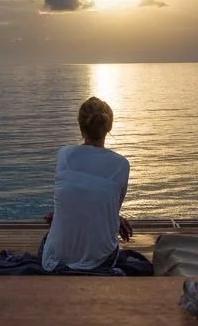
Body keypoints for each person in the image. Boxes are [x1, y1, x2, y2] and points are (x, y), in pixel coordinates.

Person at [41, 96, 133, 273]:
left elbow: (76, 193)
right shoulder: (121, 165)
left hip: (55, 261)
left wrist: (63, 213)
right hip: (101, 261)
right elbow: (110, 207)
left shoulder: (65, 155)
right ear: (108, 127)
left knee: (49, 239)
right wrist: (115, 218)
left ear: (80, 126)